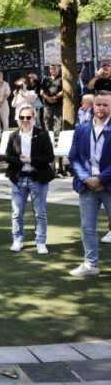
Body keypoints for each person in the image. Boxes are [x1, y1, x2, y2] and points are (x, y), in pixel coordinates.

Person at [67, 91, 111, 277]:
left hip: (108, 185)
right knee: (88, 228)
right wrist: (87, 178)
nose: (101, 108)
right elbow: (74, 157)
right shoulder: (82, 128)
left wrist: (101, 178)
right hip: (86, 186)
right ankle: (90, 265)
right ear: (93, 105)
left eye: (105, 105)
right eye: (98, 104)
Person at [5, 106, 55, 255]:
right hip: (18, 178)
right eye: (22, 118)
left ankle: (40, 242)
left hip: (37, 178)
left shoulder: (42, 134)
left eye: (28, 117)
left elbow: (49, 156)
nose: (25, 120)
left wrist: (31, 160)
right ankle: (18, 239)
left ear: (34, 118)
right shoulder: (13, 135)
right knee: (17, 213)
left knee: (39, 213)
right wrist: (20, 161)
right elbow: (7, 156)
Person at [41, 65, 64, 136]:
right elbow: (41, 92)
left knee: (59, 122)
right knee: (47, 121)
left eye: (54, 68)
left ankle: (58, 137)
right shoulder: (46, 79)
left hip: (58, 104)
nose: (53, 70)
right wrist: (48, 98)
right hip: (47, 105)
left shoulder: (62, 78)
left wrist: (54, 97)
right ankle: (49, 137)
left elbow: (64, 91)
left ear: (58, 69)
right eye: (51, 68)